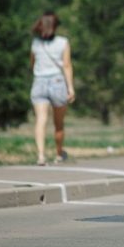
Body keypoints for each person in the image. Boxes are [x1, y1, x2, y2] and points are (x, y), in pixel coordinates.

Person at [30, 11, 75, 166]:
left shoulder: (35, 43)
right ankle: (59, 153)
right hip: (57, 82)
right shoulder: (63, 42)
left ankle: (41, 156)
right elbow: (67, 65)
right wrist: (70, 88)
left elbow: (32, 63)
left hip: (39, 82)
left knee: (40, 120)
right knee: (58, 123)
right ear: (55, 26)